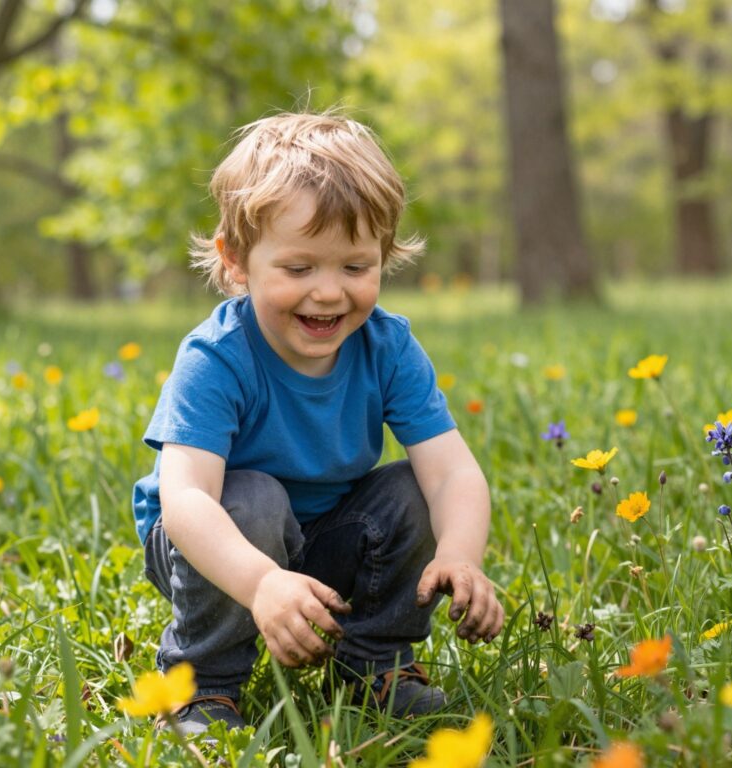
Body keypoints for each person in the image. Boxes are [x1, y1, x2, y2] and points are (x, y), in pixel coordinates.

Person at [133, 112, 504, 735]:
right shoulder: (217, 357)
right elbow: (186, 499)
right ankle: (202, 684)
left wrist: (461, 555)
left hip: (327, 535)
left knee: (411, 489)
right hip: (212, 547)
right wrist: (261, 583)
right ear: (236, 263)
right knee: (253, 498)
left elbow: (451, 475)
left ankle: (376, 666)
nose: (329, 293)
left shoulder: (387, 347)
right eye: (300, 269)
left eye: (355, 268)